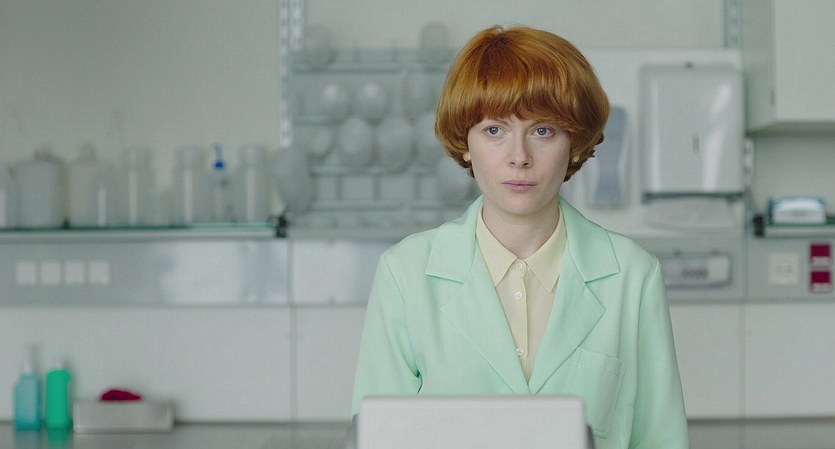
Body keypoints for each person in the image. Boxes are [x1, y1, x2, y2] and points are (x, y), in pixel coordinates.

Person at [351, 25, 689, 449]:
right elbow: (378, 437)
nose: (519, 157)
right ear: (466, 143)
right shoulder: (405, 272)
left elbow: (660, 438)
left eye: (543, 130)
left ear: (575, 143)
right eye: (494, 130)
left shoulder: (633, 274)